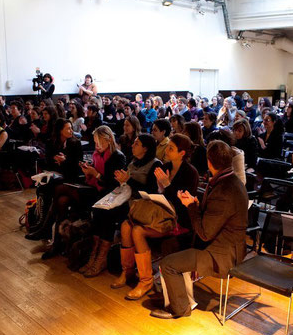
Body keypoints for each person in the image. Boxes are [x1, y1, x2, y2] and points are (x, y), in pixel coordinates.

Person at [150, 140, 248, 319]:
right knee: (169, 245)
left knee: (168, 264)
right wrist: (195, 202)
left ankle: (180, 308)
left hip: (221, 255)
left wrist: (191, 207)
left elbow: (205, 233)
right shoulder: (232, 180)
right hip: (225, 245)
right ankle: (177, 296)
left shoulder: (224, 190)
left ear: (209, 162)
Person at [118, 134, 199, 300]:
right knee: (126, 226)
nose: (167, 150)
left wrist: (167, 186)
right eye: (167, 147)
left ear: (182, 153)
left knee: (138, 231)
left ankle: (146, 280)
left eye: (171, 148)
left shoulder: (190, 173)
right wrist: (160, 189)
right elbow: (156, 194)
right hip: (160, 214)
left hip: (178, 220)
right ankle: (128, 271)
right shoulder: (166, 166)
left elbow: (184, 205)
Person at [40, 126, 126, 260]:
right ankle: (56, 243)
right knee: (61, 201)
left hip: (104, 194)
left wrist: (95, 174)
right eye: (95, 142)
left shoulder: (117, 157)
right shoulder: (97, 154)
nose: (96, 146)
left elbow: (111, 184)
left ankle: (47, 232)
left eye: (99, 142)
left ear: (109, 140)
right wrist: (88, 172)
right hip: (92, 188)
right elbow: (92, 177)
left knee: (59, 189)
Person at [86, 134, 163, 279]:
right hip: (126, 199)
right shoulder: (133, 162)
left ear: (145, 148)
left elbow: (150, 192)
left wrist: (128, 180)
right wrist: (120, 181)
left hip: (141, 205)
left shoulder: (155, 164)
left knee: (108, 214)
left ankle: (102, 259)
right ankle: (94, 255)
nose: (132, 146)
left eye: (136, 144)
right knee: (98, 210)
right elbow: (124, 186)